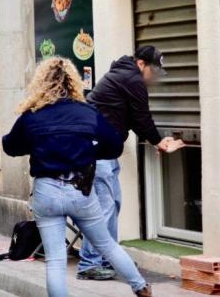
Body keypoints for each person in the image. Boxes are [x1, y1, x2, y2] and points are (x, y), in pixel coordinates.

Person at [3, 57, 153, 297]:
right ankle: (141, 288)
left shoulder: (32, 115)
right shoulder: (87, 113)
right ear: (74, 82)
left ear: (41, 83)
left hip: (46, 191)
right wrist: (89, 153)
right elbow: (114, 146)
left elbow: (10, 147)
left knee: (55, 260)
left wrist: (38, 146)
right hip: (80, 189)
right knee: (107, 245)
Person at [77, 45, 185, 281]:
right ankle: (89, 264)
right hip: (97, 151)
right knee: (103, 208)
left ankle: (109, 258)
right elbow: (142, 117)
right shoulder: (131, 79)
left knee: (112, 204)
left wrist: (156, 141)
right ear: (141, 64)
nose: (154, 78)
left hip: (104, 150)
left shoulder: (123, 75)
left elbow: (136, 120)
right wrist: (158, 141)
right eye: (153, 71)